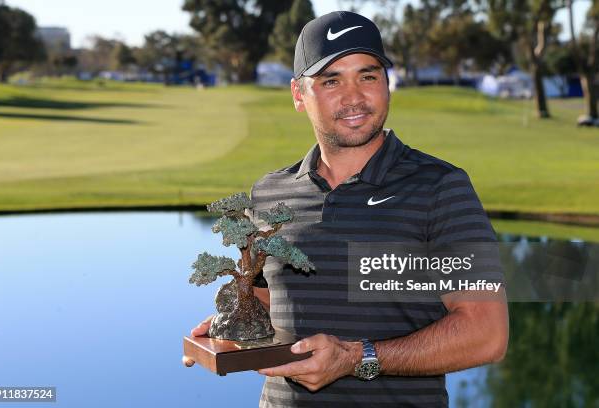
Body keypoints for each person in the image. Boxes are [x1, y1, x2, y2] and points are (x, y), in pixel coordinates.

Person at [187, 11, 509, 407]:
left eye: (368, 76)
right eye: (331, 81)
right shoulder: (270, 193)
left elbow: (486, 335)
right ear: (298, 95)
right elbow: (271, 298)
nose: (354, 97)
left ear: (386, 84)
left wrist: (358, 358)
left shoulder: (441, 187)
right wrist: (229, 323)